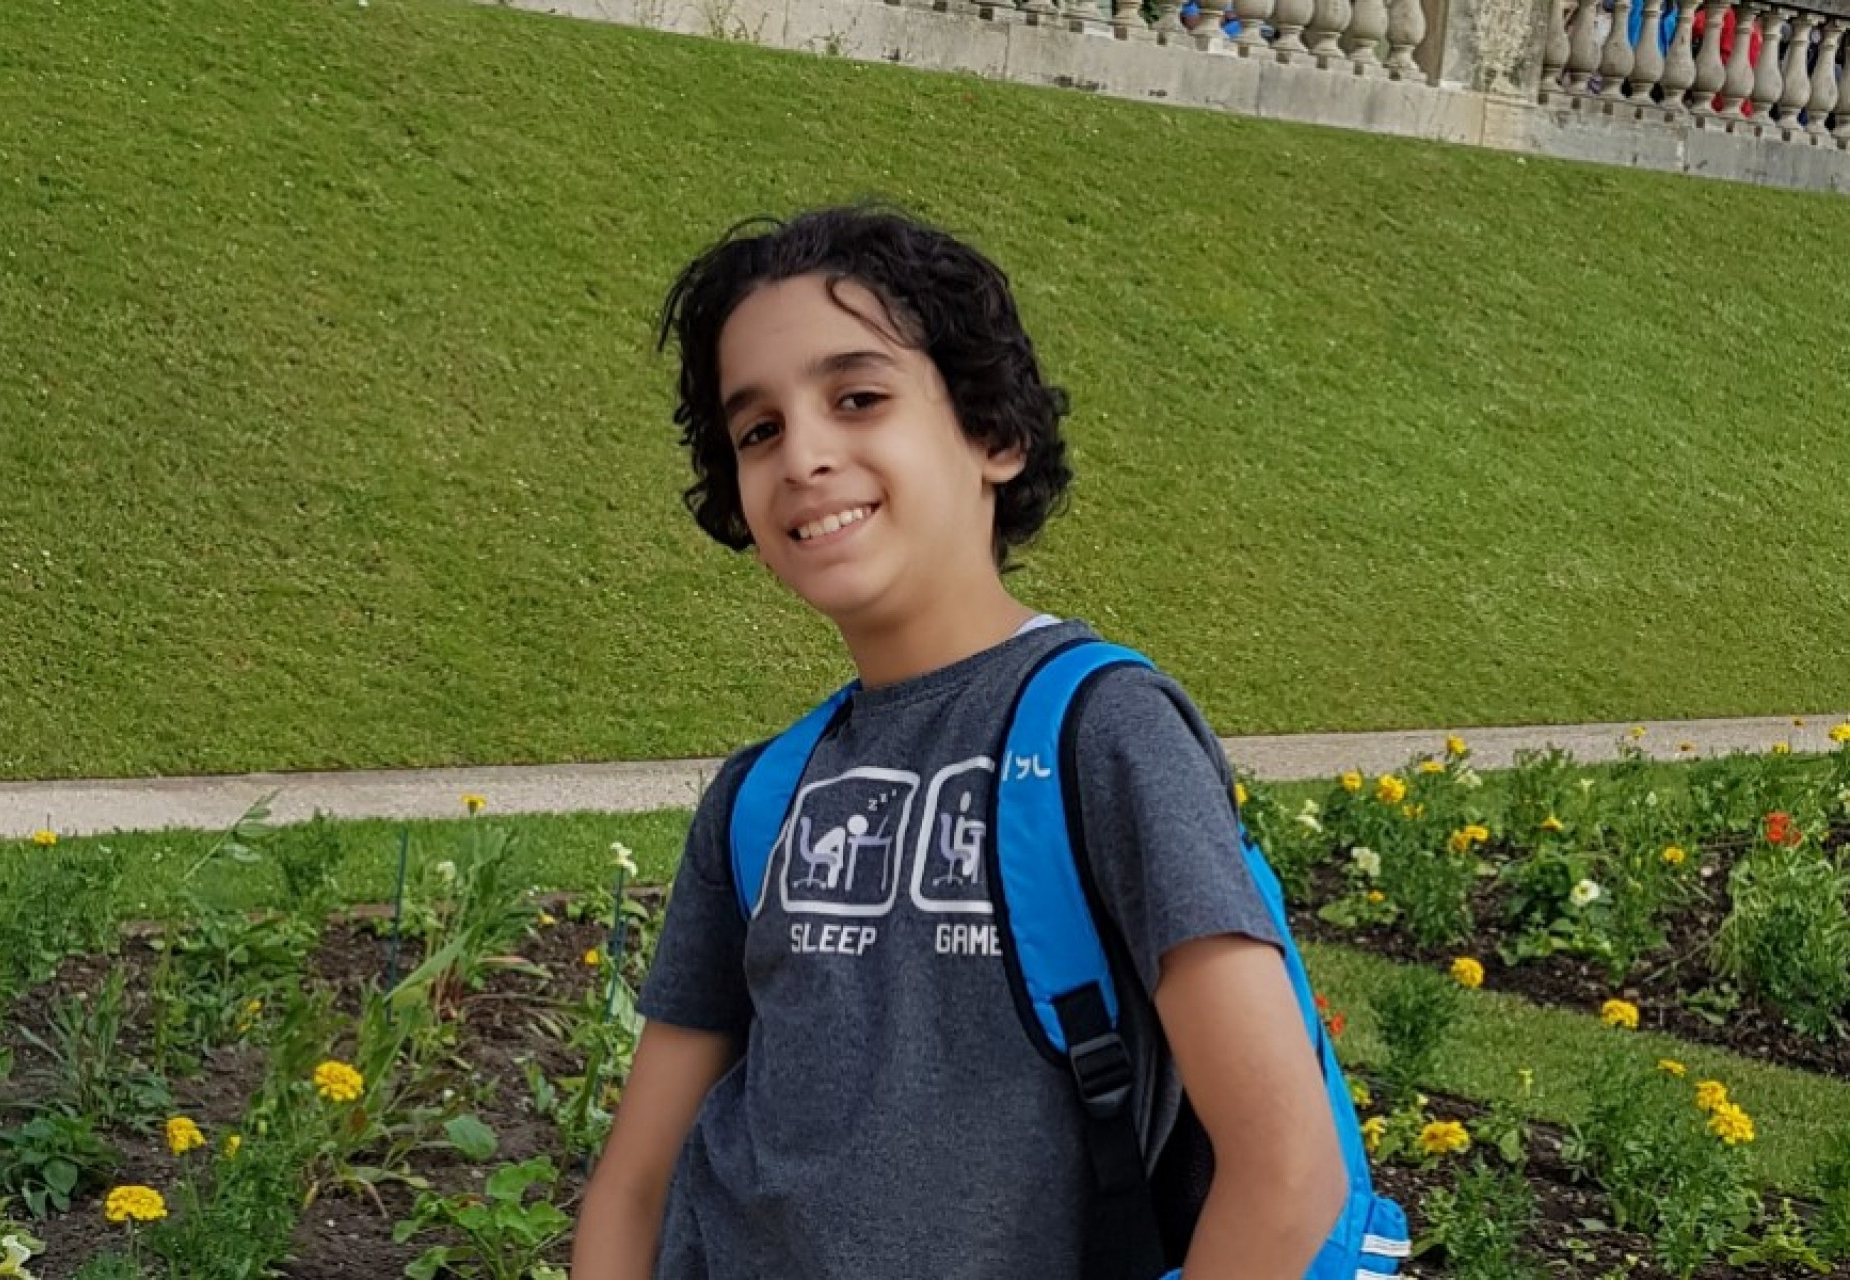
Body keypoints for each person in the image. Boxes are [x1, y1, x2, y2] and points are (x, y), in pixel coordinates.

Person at [570, 205, 1347, 1280]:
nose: (804, 456)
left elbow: (1287, 1170)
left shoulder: (1102, 733)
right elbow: (635, 1184)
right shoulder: (761, 795)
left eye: (858, 398)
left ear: (994, 436)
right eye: (759, 430)